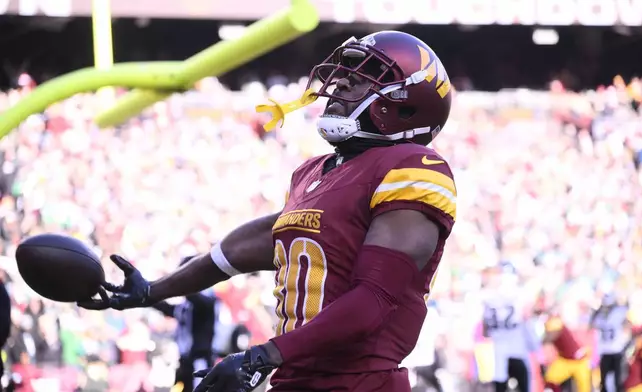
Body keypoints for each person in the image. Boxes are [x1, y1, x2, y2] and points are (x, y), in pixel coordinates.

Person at [79, 30, 456, 392]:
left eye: (361, 79)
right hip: (295, 379)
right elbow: (255, 244)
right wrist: (153, 290)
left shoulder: (414, 167)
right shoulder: (315, 172)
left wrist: (261, 356)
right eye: (344, 75)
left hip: (362, 383)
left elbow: (373, 299)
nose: (340, 85)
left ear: (405, 102)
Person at [150, 256, 221, 392]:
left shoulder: (207, 302)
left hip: (200, 362)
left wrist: (176, 284)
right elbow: (168, 309)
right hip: (185, 362)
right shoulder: (188, 306)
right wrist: (148, 296)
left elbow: (197, 300)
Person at [481, 267, 541, 392]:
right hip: (516, 350)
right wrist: (536, 347)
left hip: (497, 353)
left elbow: (485, 330)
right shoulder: (518, 296)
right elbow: (526, 320)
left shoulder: (487, 298)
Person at [588, 293, 631, 392]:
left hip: (615, 351)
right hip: (607, 351)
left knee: (617, 381)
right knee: (605, 381)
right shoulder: (613, 314)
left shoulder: (616, 314)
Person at [542, 311, 591, 392]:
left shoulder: (556, 323)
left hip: (579, 361)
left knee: (584, 388)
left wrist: (543, 340)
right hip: (564, 359)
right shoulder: (552, 323)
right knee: (550, 381)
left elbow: (552, 335)